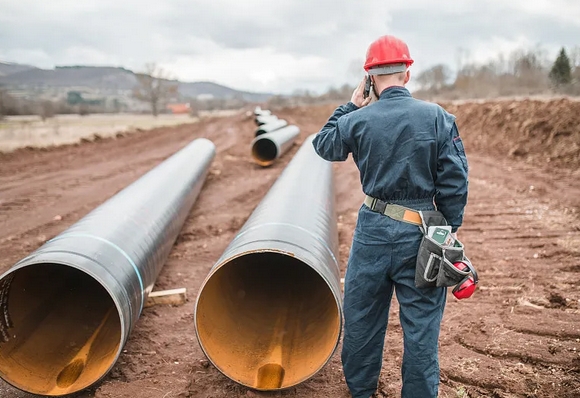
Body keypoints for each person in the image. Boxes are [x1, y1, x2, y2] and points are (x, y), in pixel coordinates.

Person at [312, 35, 469, 398]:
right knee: (421, 331)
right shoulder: (438, 118)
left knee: (363, 323)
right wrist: (446, 231)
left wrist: (351, 105)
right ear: (407, 73)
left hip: (372, 230)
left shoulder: (358, 120)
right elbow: (456, 181)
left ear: (369, 77)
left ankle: (362, 392)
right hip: (422, 232)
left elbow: (324, 145)